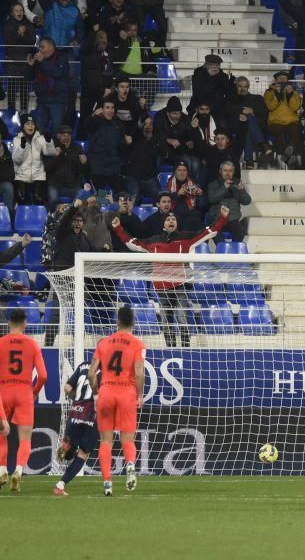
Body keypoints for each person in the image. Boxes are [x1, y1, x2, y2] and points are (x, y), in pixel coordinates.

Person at [111, 206, 230, 348]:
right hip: (161, 289)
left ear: (177, 223)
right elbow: (131, 243)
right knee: (166, 323)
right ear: (163, 223)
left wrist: (222, 217)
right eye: (168, 219)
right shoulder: (152, 241)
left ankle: (185, 349)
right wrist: (118, 227)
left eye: (174, 219)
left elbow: (209, 232)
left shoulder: (187, 238)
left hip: (181, 286)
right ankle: (170, 349)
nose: (171, 221)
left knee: (182, 318)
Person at [88, 306, 144, 497]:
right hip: (126, 393)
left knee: (105, 441)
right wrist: (139, 394)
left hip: (106, 392)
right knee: (127, 438)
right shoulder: (137, 344)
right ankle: (129, 465)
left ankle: (107, 484)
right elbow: (139, 373)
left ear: (117, 321)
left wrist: (96, 394)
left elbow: (90, 373)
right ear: (133, 322)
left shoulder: (103, 343)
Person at [0, 308, 47, 491]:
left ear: (9, 323)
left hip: (3, 390)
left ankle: (2, 469)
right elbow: (43, 375)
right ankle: (18, 471)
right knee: (25, 438)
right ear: (25, 324)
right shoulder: (32, 344)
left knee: (2, 432)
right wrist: (35, 392)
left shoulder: (1, 343)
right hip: (24, 391)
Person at [54, 361, 98, 496]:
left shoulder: (83, 365)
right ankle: (60, 485)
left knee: (70, 449)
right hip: (93, 412)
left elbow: (67, 387)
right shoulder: (106, 370)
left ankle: (67, 445)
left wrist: (76, 399)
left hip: (76, 409)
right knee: (83, 453)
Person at [27, 37, 71, 134]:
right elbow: (29, 78)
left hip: (57, 101)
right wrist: (30, 66)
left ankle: (56, 149)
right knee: (38, 131)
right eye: (39, 47)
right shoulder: (39, 60)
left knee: (56, 131)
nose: (40, 50)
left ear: (51, 47)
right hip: (42, 100)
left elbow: (58, 73)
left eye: (42, 47)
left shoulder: (61, 58)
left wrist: (43, 62)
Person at [12, 113, 55, 204]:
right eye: (28, 124)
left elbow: (50, 152)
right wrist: (22, 147)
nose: (30, 126)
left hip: (38, 176)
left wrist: (48, 142)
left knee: (39, 199)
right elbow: (16, 160)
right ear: (23, 126)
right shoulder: (17, 139)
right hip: (21, 176)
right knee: (22, 199)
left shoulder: (40, 138)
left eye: (32, 124)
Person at [205, 162, 252, 243]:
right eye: (225, 170)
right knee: (218, 238)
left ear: (233, 172)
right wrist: (224, 187)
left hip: (233, 221)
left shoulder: (237, 184)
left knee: (241, 230)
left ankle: (233, 250)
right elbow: (211, 199)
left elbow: (247, 201)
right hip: (217, 220)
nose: (227, 173)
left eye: (230, 171)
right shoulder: (213, 184)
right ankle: (222, 251)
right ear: (220, 171)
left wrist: (242, 191)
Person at [3, 3, 36, 114]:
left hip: (25, 61)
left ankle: (24, 111)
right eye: (16, 10)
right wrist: (18, 33)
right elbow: (8, 42)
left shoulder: (28, 24)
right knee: (12, 87)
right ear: (12, 13)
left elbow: (32, 41)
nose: (19, 12)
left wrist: (22, 35)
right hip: (12, 60)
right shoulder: (8, 25)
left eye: (21, 10)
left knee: (24, 88)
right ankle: (11, 111)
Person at [263, 71, 302, 159]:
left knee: (296, 131)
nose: (282, 80)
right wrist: (277, 93)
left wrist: (290, 94)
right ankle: (287, 156)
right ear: (275, 80)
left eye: (284, 78)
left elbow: (295, 107)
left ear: (288, 80)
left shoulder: (294, 92)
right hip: (275, 121)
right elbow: (270, 106)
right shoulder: (269, 92)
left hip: (292, 121)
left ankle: (289, 151)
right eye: (279, 78)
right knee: (279, 135)